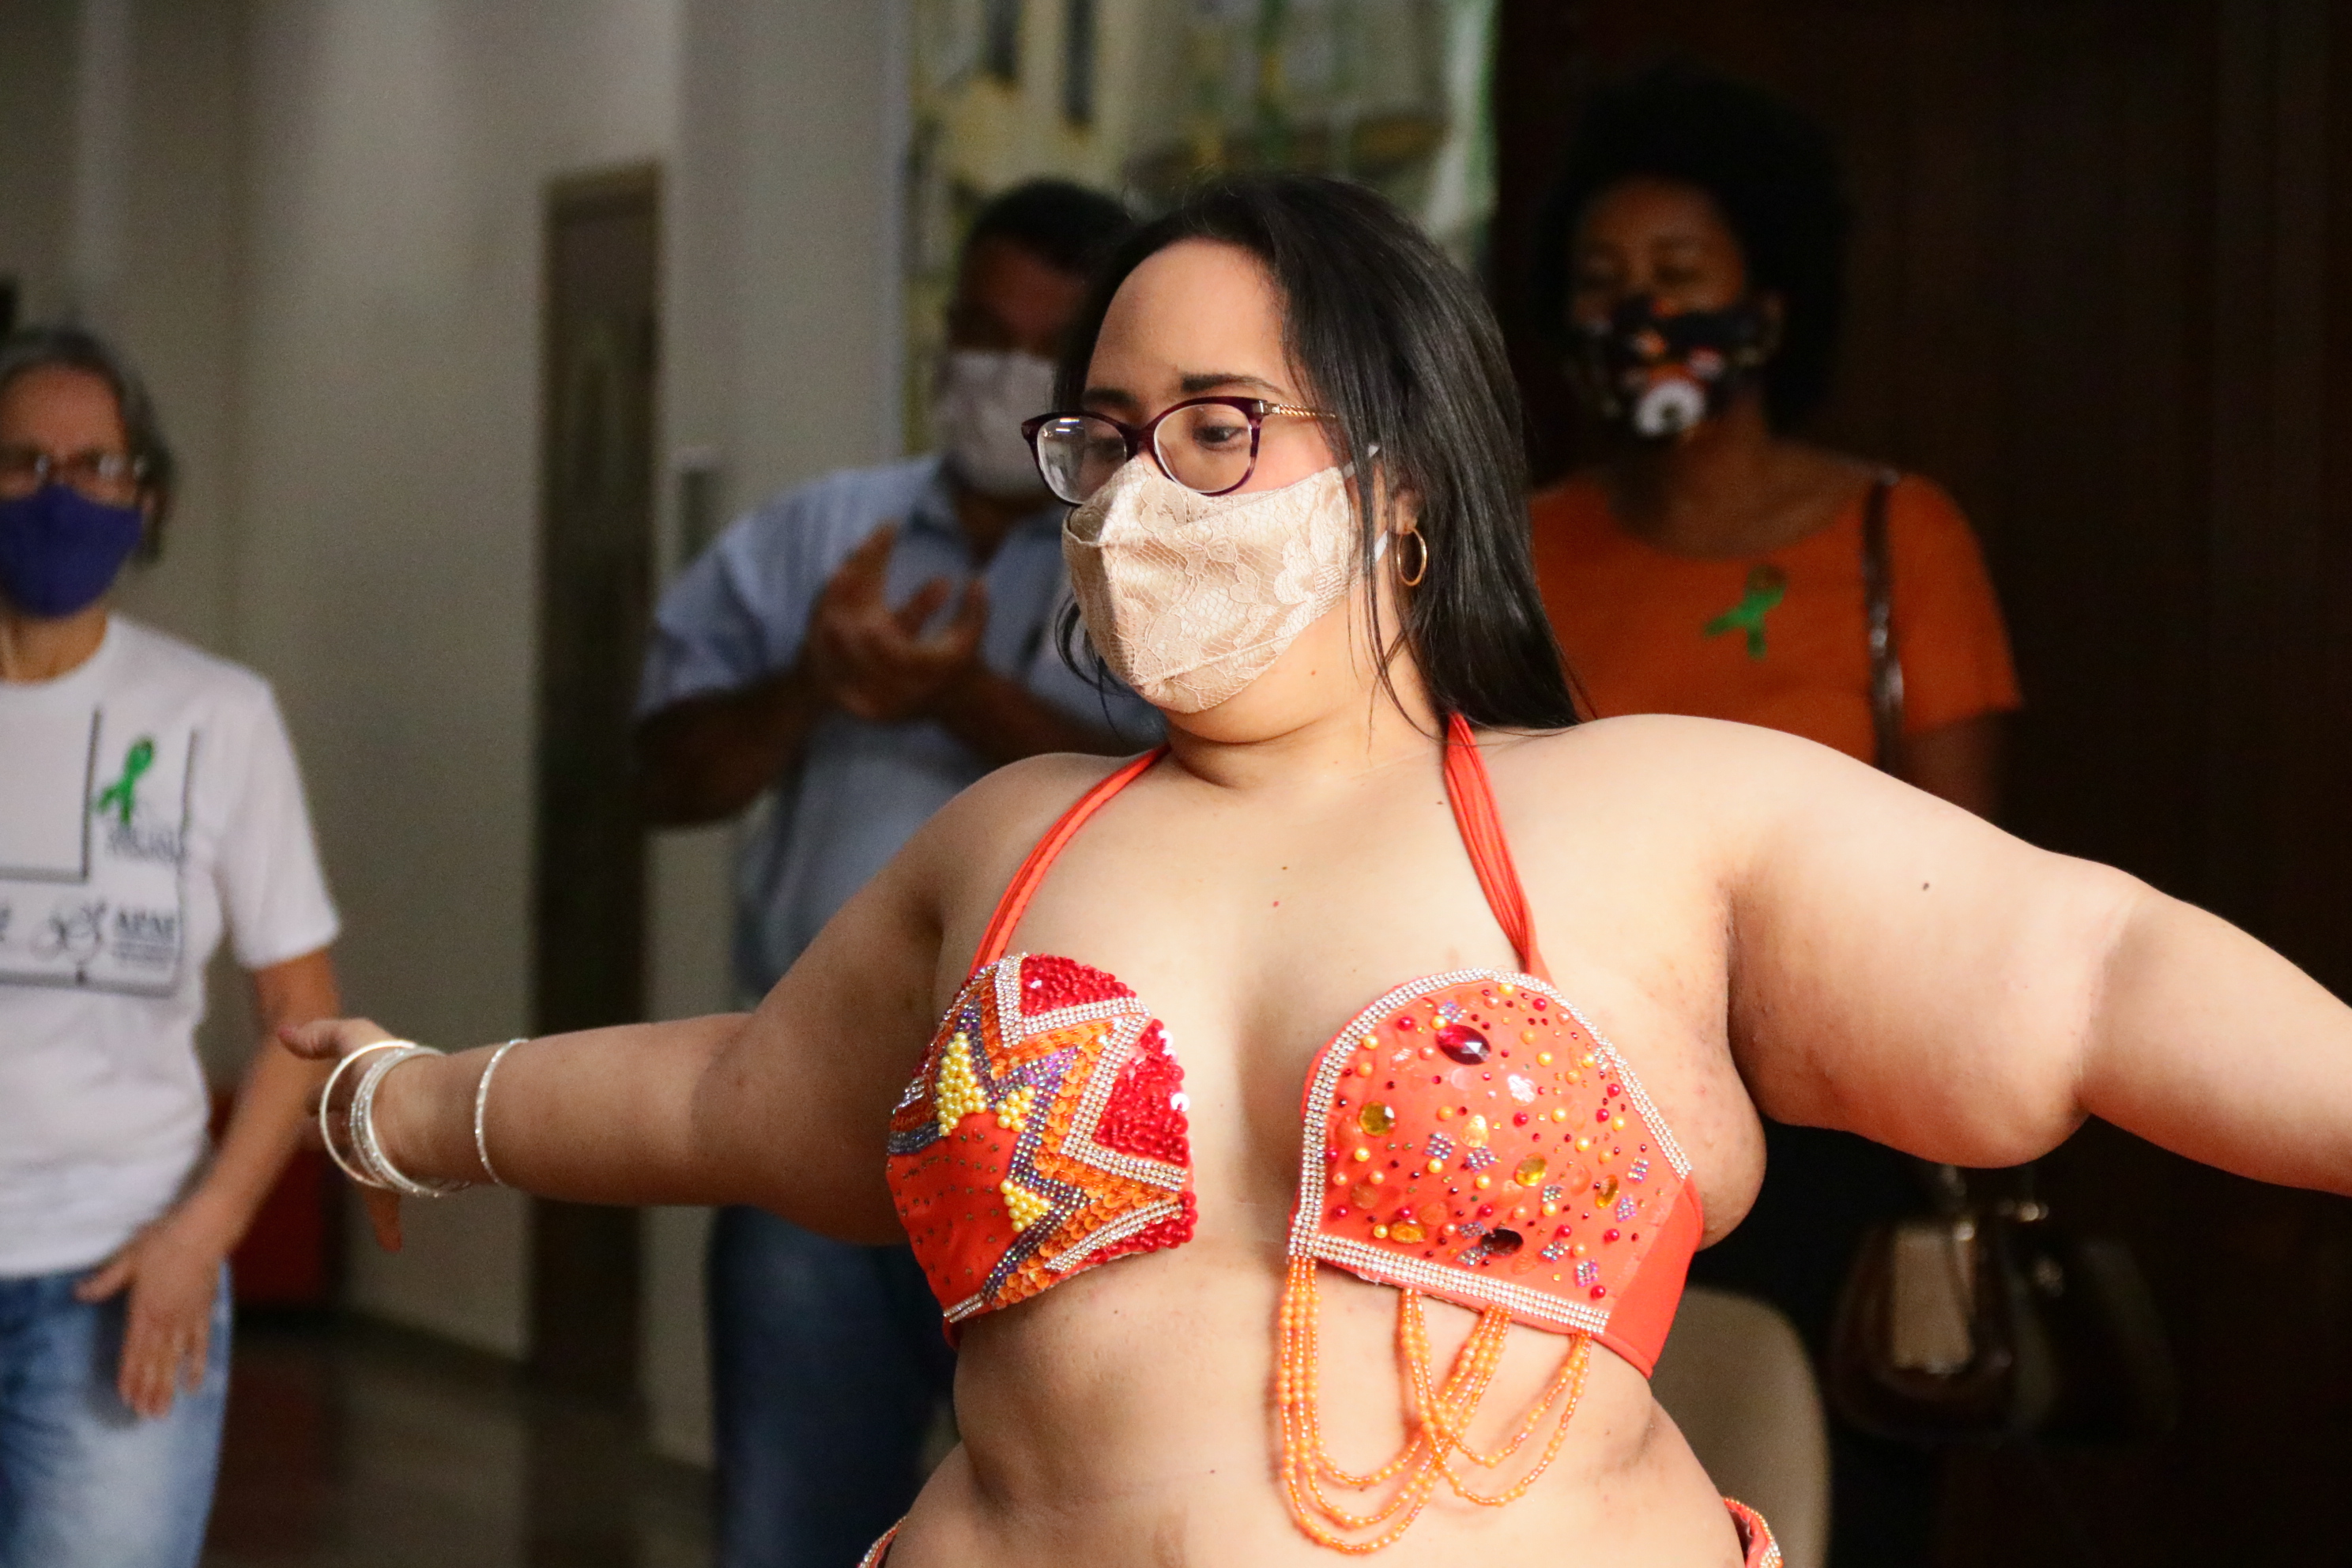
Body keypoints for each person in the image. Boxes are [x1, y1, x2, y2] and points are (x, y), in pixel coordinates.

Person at [292, 175, 2352, 1568]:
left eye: (1220, 426)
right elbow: (738, 1092)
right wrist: (403, 1105)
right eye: (1107, 437)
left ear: (1408, 489)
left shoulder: (1650, 812)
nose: (1141, 490)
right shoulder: (1005, 844)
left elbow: (2092, 966)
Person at [1525, 66, 2021, 1565]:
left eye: (1681, 271)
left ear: (1773, 303)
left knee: (1832, 1511)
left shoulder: (1895, 537)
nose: (1640, 309)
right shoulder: (1528, 550)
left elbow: (1974, 885)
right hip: (1570, 1132)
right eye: (1603, 279)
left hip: (1834, 1128)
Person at [632, 178, 1153, 1566]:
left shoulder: (1151, 558)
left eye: (1036, 351)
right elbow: (661, 776)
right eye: (978, 332)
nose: (996, 372)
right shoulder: (817, 538)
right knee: (792, 1529)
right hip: (822, 1111)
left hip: (1070, 1150)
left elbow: (1182, 795)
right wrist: (811, 679)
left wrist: (956, 697)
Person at [0, 326, 341, 1568]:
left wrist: (205, 1232)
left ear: (147, 498)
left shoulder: (215, 718)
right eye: (23, 462)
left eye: (97, 465)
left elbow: (304, 1021)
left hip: (119, 1274)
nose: (60, 492)